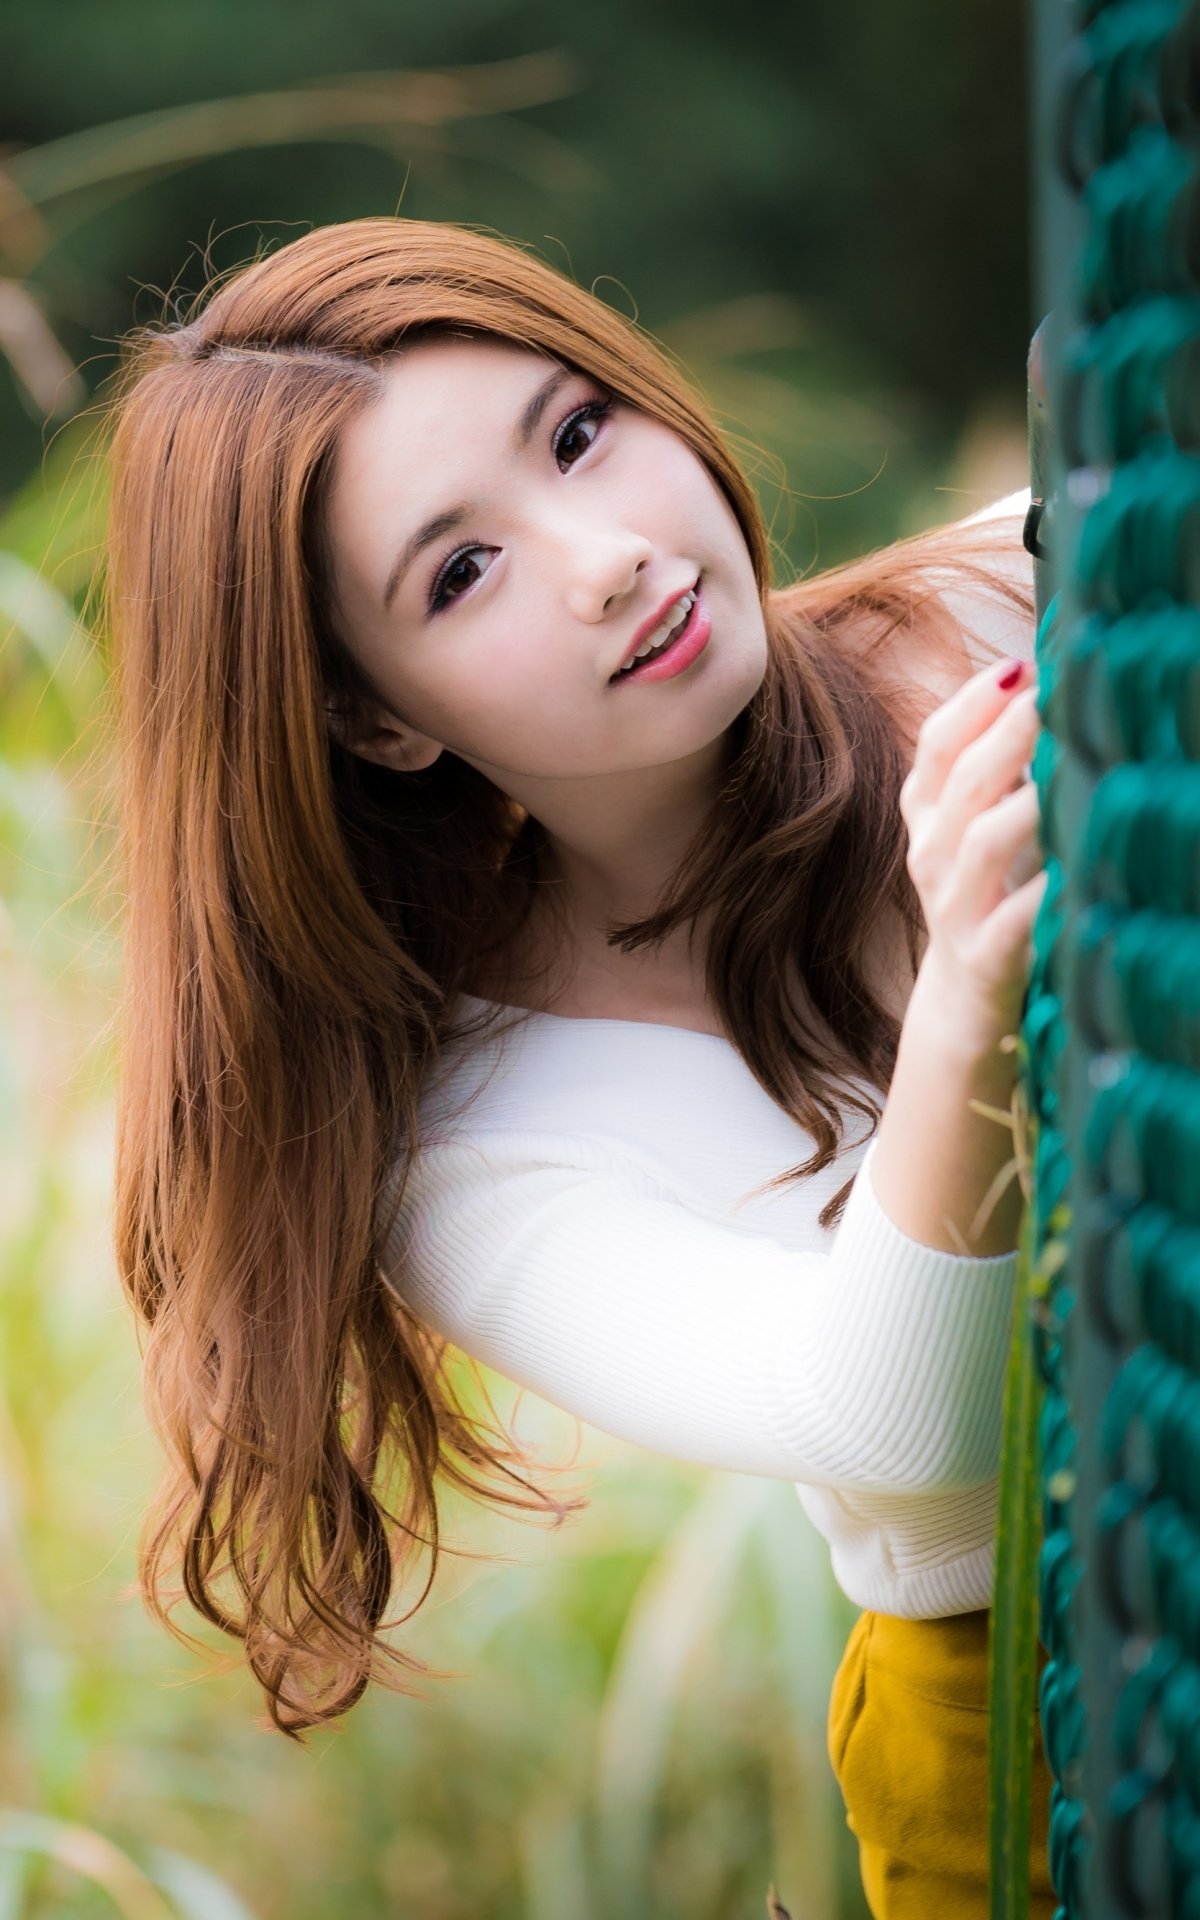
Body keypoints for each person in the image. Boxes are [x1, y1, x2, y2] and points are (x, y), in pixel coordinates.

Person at [106, 217, 1054, 1917]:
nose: (606, 555)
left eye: (576, 432)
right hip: (1048, 1740)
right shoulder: (471, 1146)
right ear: (377, 721)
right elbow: (892, 1418)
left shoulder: (1012, 606)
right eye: (458, 574)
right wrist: (976, 986)